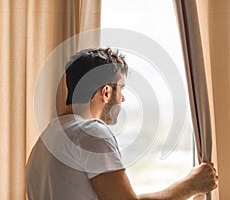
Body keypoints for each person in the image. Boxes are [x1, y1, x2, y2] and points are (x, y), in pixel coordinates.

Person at [25, 47, 218, 200]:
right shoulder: (90, 133)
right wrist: (190, 185)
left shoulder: (47, 137)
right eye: (121, 90)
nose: (123, 99)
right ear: (106, 92)